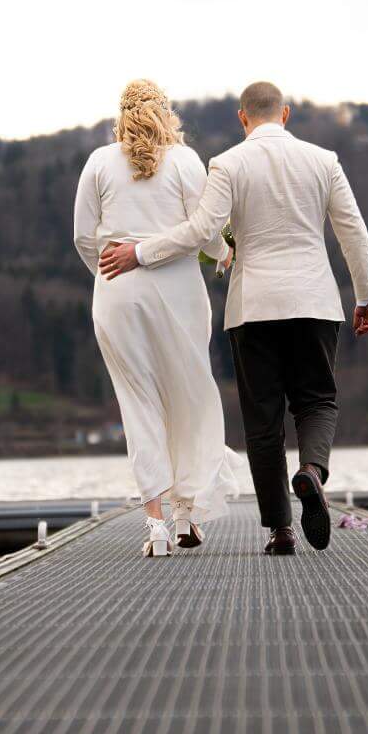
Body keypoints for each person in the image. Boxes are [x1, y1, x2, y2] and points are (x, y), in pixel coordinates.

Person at [100, 80, 368, 555]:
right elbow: (351, 229)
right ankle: (312, 470)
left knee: (262, 422)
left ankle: (281, 531)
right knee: (316, 401)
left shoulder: (227, 163)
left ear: (242, 118)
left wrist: (140, 253)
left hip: (252, 308)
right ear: (285, 114)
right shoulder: (324, 160)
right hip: (314, 301)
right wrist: (366, 296)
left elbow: (201, 231)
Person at [72, 80, 240, 555]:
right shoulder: (185, 161)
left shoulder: (98, 163)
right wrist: (225, 254)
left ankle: (157, 527)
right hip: (179, 291)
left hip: (118, 293)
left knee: (138, 402)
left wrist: (107, 271)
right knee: (189, 396)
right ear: (166, 113)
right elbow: (204, 232)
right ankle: (187, 516)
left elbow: (84, 236)